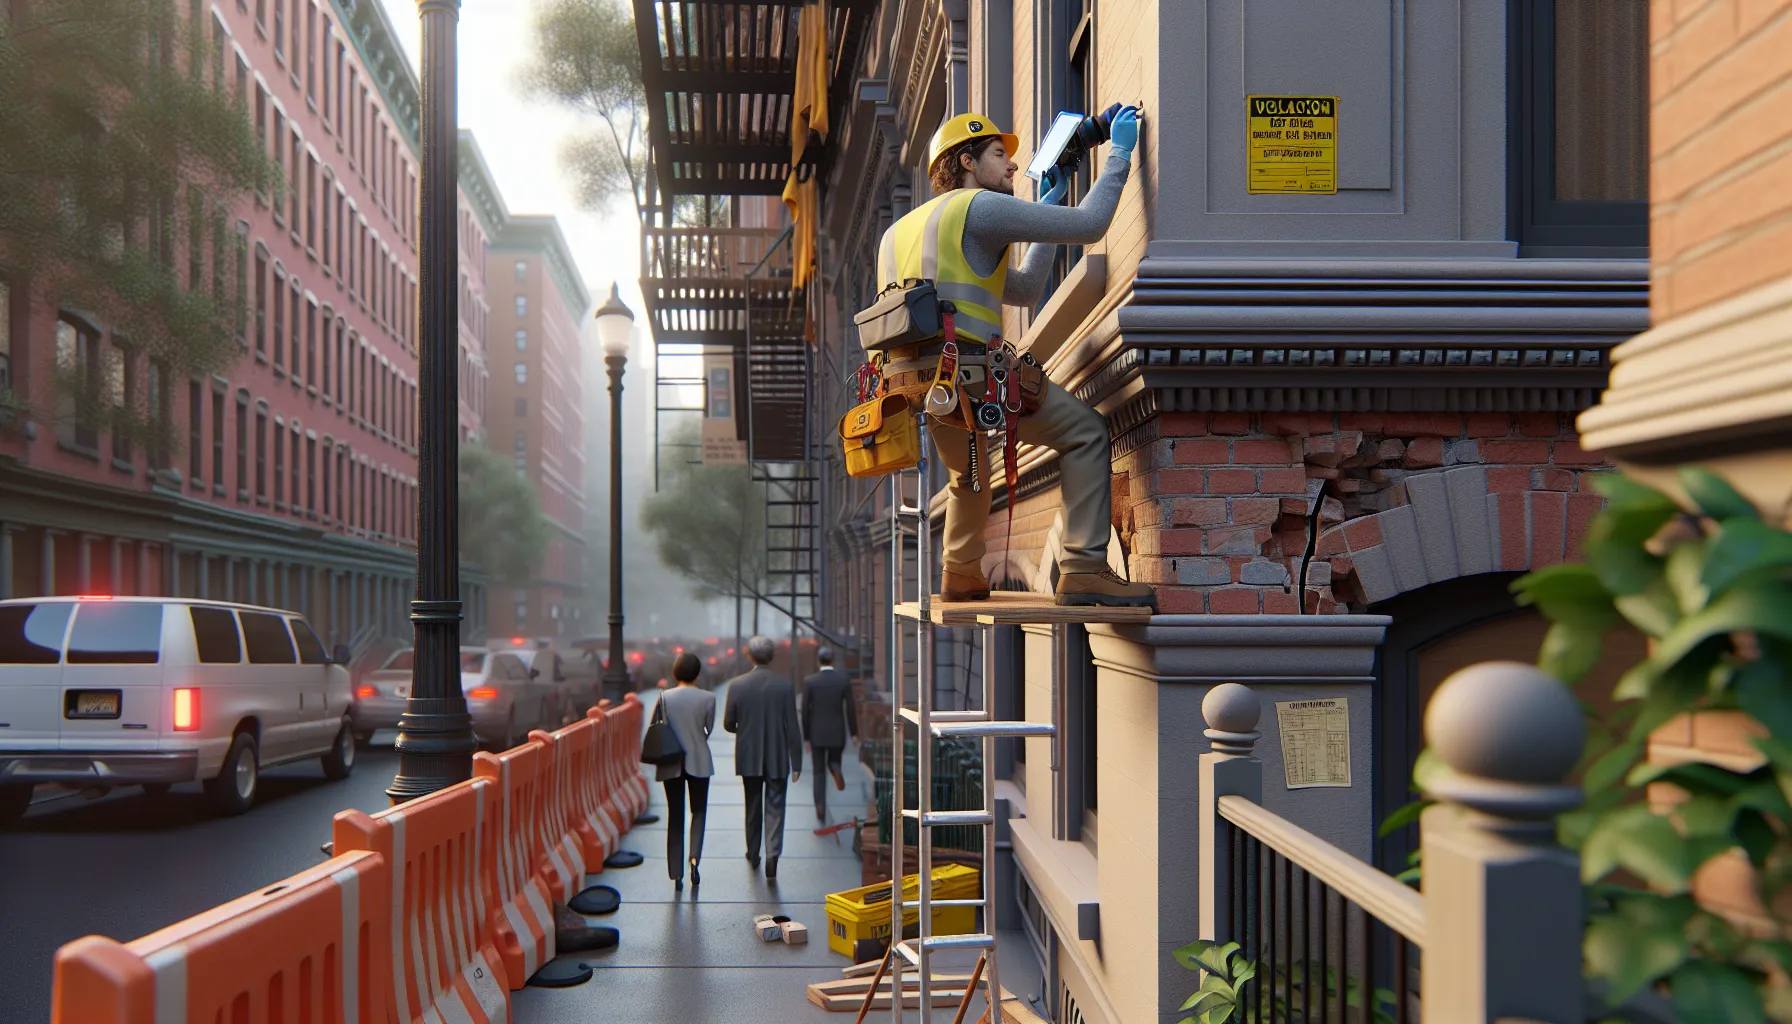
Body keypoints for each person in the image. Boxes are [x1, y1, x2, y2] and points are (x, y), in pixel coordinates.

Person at [872, 109, 1156, 609]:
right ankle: (1084, 568)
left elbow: (1022, 290)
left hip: (920, 384)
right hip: (974, 374)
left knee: (971, 475)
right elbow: (1091, 226)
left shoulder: (901, 233)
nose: (1011, 167)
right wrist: (1119, 153)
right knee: (1085, 432)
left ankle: (959, 573)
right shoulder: (978, 208)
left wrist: (1050, 200)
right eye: (1000, 155)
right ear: (966, 160)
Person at [722, 635, 803, 880]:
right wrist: (796, 761)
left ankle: (753, 852)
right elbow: (793, 727)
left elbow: (728, 723)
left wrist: (746, 730)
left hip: (749, 756)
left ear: (749, 655)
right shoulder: (784, 685)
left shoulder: (737, 685)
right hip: (778, 756)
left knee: (753, 806)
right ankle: (772, 855)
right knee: (776, 808)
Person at [657, 652, 716, 891]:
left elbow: (658, 728)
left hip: (671, 761)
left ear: (675, 671)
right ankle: (694, 860)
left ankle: (675, 872)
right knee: (699, 811)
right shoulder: (709, 698)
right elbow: (707, 730)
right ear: (697, 673)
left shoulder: (664, 697)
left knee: (675, 814)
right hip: (699, 760)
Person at [801, 646, 857, 821]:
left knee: (818, 771)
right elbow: (850, 708)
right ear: (832, 660)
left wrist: (807, 737)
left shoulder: (810, 681)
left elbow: (804, 711)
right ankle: (835, 767)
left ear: (818, 661)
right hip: (836, 732)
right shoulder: (843, 680)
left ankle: (819, 805)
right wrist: (854, 733)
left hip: (817, 734)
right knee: (834, 759)